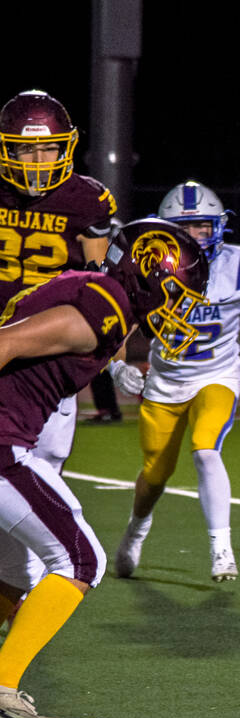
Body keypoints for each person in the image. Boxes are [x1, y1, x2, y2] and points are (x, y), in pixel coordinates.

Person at [0, 218, 209, 718]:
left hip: (11, 436)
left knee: (13, 572)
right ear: (149, 271)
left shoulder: (96, 293)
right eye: (176, 293)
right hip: (3, 441)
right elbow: (5, 343)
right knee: (80, 558)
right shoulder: (101, 308)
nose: (176, 308)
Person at [110, 181, 240, 583]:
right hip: (164, 384)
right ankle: (136, 529)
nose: (199, 236)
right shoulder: (148, 267)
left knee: (206, 450)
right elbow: (117, 330)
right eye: (188, 228)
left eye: (205, 226)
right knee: (155, 476)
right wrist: (117, 367)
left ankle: (221, 548)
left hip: (217, 377)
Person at [0, 89, 119, 468]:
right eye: (26, 149)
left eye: (49, 148)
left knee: (42, 465)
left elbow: (100, 285)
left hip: (48, 353)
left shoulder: (85, 200)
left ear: (65, 147)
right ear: (9, 150)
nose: (38, 160)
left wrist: (114, 360)